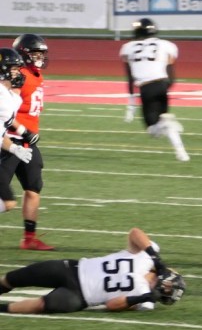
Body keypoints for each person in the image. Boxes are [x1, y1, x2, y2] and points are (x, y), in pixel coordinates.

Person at [0, 227, 185, 314]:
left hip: (80, 297)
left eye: (168, 289)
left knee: (41, 305)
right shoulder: (146, 257)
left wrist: (143, 297)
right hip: (72, 269)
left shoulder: (145, 300)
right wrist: (156, 258)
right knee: (14, 278)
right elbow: (135, 232)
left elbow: (112, 305)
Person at [0, 35, 52, 250]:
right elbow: (7, 112)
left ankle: (29, 238)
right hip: (10, 141)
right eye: (35, 53)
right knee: (5, 197)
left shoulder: (35, 75)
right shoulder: (18, 76)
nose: (40, 58)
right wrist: (23, 132)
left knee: (33, 187)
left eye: (41, 54)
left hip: (28, 143)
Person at [120, 18, 190, 162]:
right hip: (162, 86)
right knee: (164, 122)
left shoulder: (127, 47)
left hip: (146, 88)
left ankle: (166, 123)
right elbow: (171, 75)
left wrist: (131, 103)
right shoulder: (167, 45)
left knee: (153, 130)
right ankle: (181, 153)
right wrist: (164, 88)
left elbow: (130, 77)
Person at [0, 49, 35, 228]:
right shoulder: (3, 97)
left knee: (8, 202)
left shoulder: (8, 95)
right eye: (14, 69)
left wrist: (15, 147)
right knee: (7, 202)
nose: (17, 73)